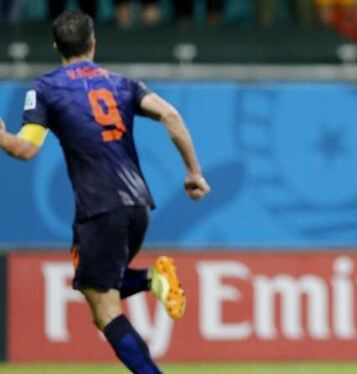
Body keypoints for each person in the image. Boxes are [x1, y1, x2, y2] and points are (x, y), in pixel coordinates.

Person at [0, 11, 210, 373]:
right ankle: (150, 278)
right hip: (138, 206)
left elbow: (26, 149)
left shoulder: (45, 88)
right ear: (93, 43)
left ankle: (151, 290)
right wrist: (193, 172)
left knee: (105, 309)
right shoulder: (122, 84)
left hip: (100, 207)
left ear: (55, 47)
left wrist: (1, 136)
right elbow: (171, 116)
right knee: (96, 290)